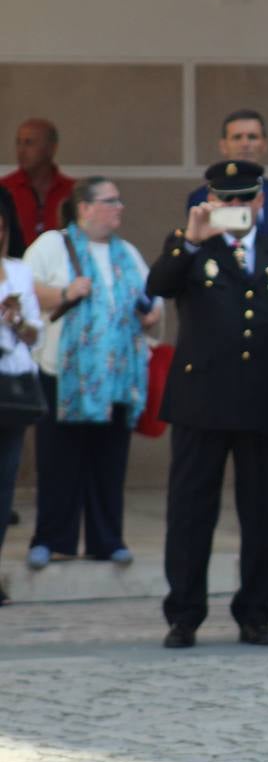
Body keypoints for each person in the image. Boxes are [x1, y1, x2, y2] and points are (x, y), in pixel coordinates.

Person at [148, 160, 268, 649]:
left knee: (262, 515)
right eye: (226, 200)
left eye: (244, 199)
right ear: (210, 202)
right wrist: (192, 238)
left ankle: (255, 614)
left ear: (260, 201)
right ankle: (184, 614)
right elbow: (158, 285)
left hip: (264, 399)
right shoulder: (190, 247)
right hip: (202, 401)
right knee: (191, 512)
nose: (236, 208)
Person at [24, 177, 160, 571]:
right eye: (110, 200)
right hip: (63, 374)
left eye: (119, 200)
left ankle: (107, 539)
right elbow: (23, 290)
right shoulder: (52, 244)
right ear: (83, 207)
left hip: (116, 377)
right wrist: (66, 292)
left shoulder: (126, 252)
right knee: (59, 458)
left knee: (108, 460)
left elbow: (152, 299)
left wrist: (151, 314)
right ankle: (52, 539)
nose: (119, 207)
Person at [185, 109, 268, 254]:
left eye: (252, 137)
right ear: (223, 145)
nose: (245, 143)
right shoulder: (201, 198)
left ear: (264, 144)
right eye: (237, 137)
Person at [0, 210, 41, 605]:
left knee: (4, 483)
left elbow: (34, 334)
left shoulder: (18, 272)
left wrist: (15, 320)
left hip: (11, 387)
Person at [3, 118, 73, 252]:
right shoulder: (4, 189)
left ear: (51, 148)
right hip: (15, 267)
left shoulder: (71, 191)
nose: (21, 150)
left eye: (29, 143)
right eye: (18, 143)